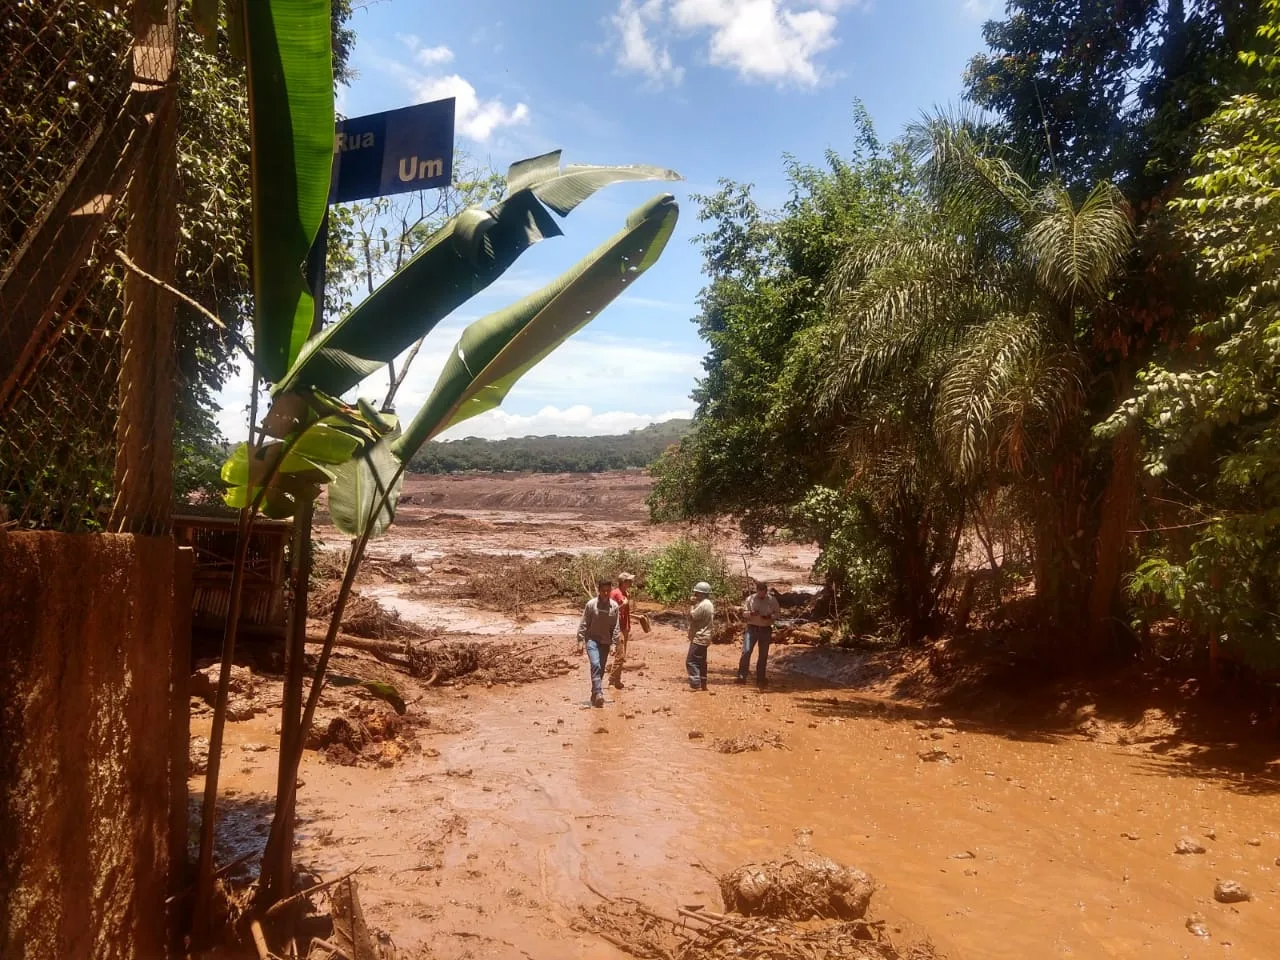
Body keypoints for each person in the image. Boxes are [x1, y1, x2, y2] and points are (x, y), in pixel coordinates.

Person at [577, 578, 621, 707]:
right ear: (599, 590)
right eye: (603, 591)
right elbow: (584, 623)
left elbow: (616, 627)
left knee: (600, 669)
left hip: (606, 642)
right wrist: (580, 640)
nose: (606, 593)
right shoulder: (591, 605)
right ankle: (599, 692)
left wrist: (614, 644)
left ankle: (594, 693)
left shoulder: (614, 606)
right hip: (592, 640)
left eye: (608, 591)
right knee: (595, 664)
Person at [737, 580, 780, 686]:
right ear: (757, 591)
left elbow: (778, 614)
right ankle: (742, 676)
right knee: (746, 651)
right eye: (759, 592)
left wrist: (770, 616)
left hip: (765, 629)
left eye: (763, 592)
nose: (761, 595)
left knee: (763, 655)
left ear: (766, 591)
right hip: (752, 628)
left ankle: (760, 678)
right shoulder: (750, 599)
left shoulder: (772, 600)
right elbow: (744, 613)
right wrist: (751, 613)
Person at [607, 572, 634, 690]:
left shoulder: (624, 593)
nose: (631, 583)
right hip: (616, 628)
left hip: (623, 627)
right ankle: (612, 680)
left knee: (622, 656)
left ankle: (617, 680)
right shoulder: (616, 593)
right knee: (620, 655)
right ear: (624, 582)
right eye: (629, 581)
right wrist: (623, 604)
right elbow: (611, 611)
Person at [685, 581, 715, 691]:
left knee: (691, 661)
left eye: (697, 593)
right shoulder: (708, 604)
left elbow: (692, 616)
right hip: (705, 636)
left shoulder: (703, 605)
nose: (695, 595)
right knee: (701, 661)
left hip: (700, 637)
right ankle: (703, 683)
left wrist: (691, 605)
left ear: (702, 594)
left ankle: (695, 684)